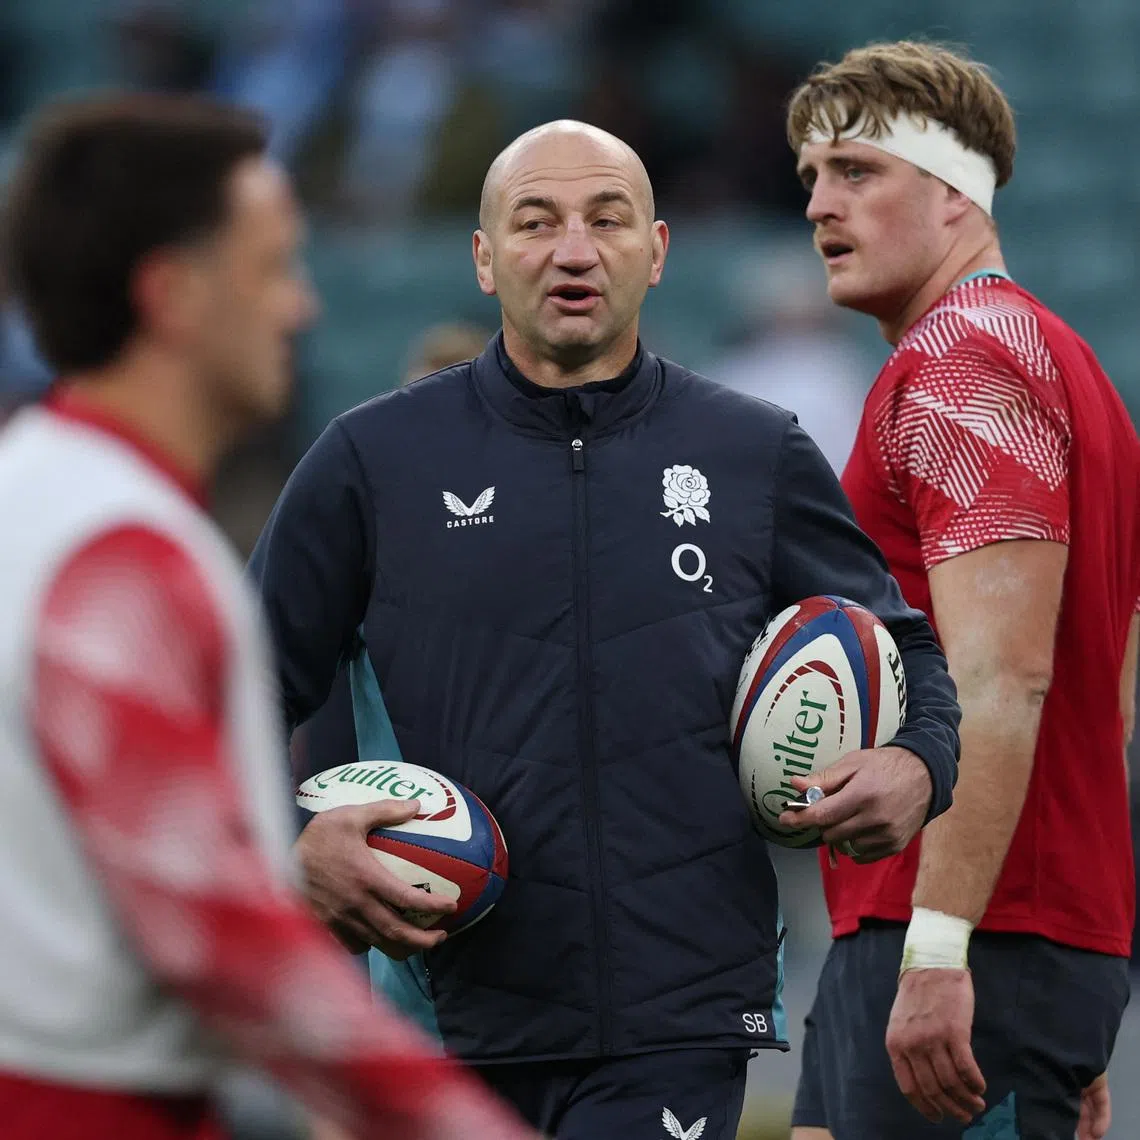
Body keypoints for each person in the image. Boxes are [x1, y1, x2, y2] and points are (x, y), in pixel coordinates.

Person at [249, 118, 962, 1140]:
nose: (573, 250)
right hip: (442, 1022)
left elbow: (914, 654)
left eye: (607, 220)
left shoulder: (752, 451)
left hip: (676, 1023)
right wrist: (293, 845)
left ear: (657, 252)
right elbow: (227, 693)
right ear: (487, 259)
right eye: (536, 223)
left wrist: (917, 766)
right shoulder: (372, 459)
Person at [0, 93, 536, 1140]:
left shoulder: (31, 495)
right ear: (173, 296)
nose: (303, 308)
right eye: (272, 267)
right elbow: (218, 935)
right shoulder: (123, 554)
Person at [784, 41, 1140, 1140]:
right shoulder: (1057, 360)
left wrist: (950, 956)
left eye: (856, 172)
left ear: (952, 195)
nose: (819, 206)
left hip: (963, 937)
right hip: (1001, 937)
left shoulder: (969, 359)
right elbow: (1111, 688)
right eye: (810, 180)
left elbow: (1007, 678)